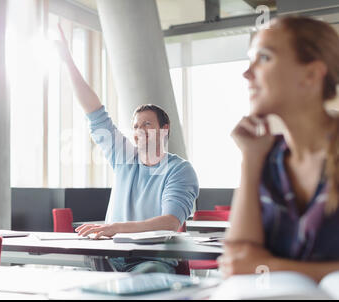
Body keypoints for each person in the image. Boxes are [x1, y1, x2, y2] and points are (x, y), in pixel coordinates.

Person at [55, 25, 199, 273]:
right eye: (135, 125)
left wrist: (115, 227)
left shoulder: (179, 170)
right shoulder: (125, 158)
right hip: (108, 257)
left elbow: (170, 223)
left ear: (164, 129)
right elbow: (95, 113)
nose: (139, 130)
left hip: (151, 261)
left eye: (147, 124)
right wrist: (68, 61)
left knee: (141, 280)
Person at [218, 16, 339, 282]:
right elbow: (237, 260)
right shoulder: (266, 157)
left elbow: (251, 266)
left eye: (264, 58)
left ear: (310, 75)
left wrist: (270, 267)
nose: (247, 73)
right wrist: (249, 159)